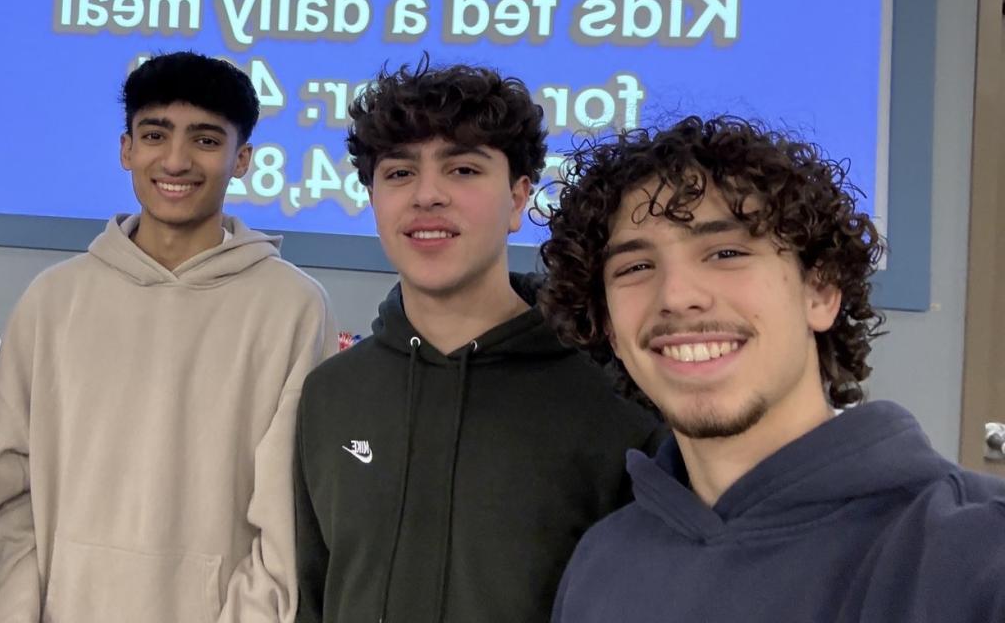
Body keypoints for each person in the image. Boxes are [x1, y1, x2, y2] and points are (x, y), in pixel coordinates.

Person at [542, 117, 1005, 623]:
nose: (675, 296)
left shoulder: (975, 549)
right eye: (635, 267)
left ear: (820, 292)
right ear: (609, 327)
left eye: (726, 252)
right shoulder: (600, 562)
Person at [294, 60, 662, 623]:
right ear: (373, 200)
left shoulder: (613, 398)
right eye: (399, 173)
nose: (427, 195)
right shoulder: (332, 394)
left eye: (463, 169)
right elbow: (313, 595)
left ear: (517, 200)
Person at [0, 51, 335, 623]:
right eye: (154, 135)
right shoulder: (54, 300)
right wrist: (24, 603)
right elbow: (4, 488)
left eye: (206, 140)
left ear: (242, 159)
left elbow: (289, 519)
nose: (175, 160)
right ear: (127, 149)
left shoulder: (292, 307)